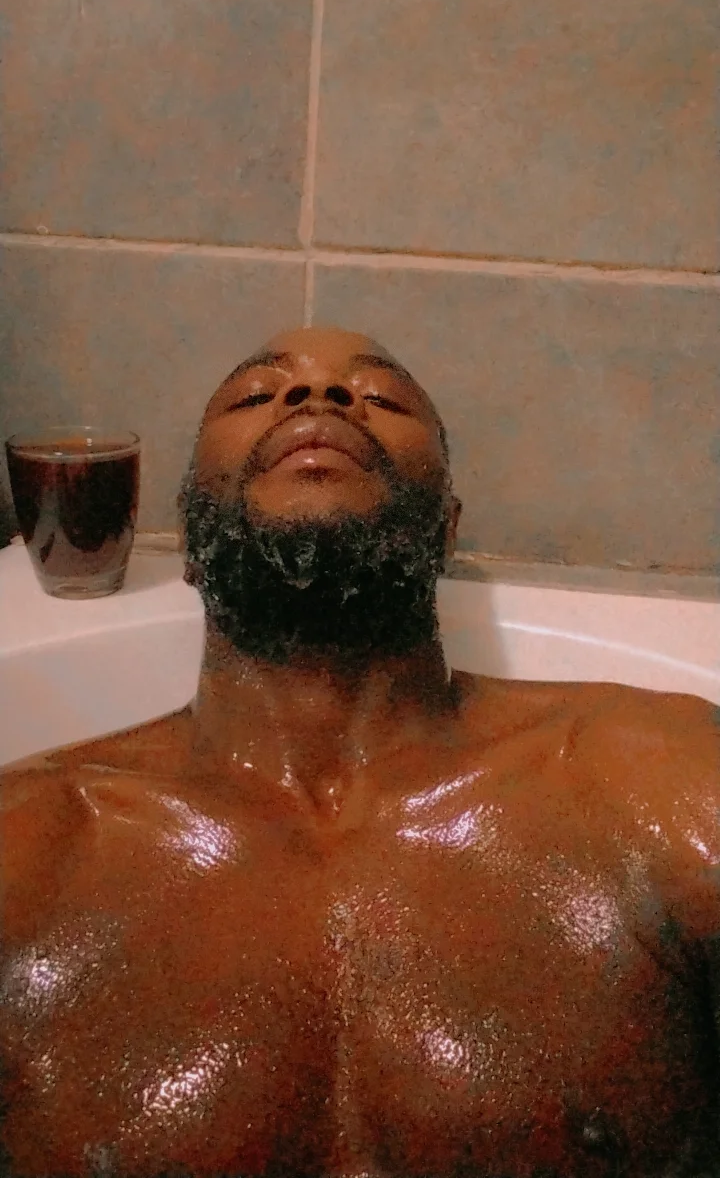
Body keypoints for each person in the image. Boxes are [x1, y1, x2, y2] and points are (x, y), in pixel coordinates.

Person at [1, 326, 719, 1178]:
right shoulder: (31, 843)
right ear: (188, 541)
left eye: (379, 397)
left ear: (446, 530)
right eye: (257, 394)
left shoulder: (651, 777)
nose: (318, 396)